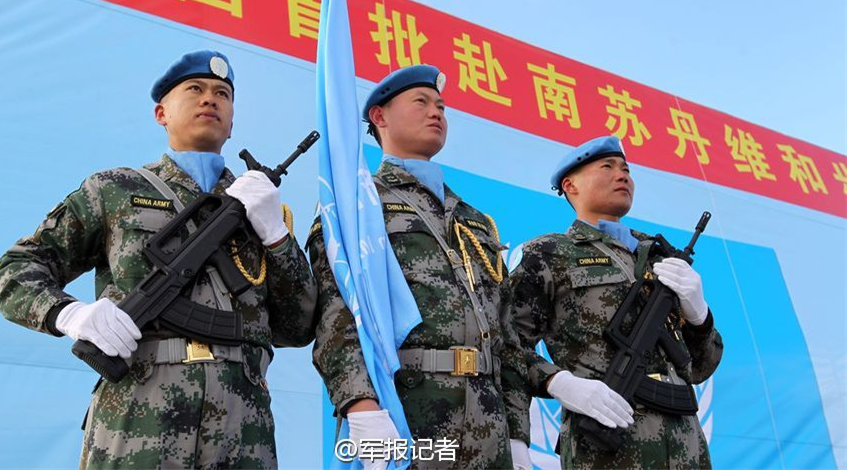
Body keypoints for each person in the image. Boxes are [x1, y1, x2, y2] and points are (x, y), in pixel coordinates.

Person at [0, 50, 317, 469]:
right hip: (139, 412)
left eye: (222, 93)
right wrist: (69, 314)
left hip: (244, 423)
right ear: (161, 113)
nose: (210, 99)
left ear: (233, 121)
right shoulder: (115, 190)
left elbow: (296, 326)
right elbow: (16, 268)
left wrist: (276, 236)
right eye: (195, 90)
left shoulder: (261, 206)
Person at [308, 64, 533, 470]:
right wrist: (360, 403)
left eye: (441, 106)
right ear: (379, 117)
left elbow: (507, 335)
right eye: (421, 102)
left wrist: (517, 432)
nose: (436, 113)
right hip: (408, 408)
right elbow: (337, 312)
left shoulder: (475, 219)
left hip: (487, 417)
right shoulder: (357, 204)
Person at [510, 135, 723, 469]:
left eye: (625, 169)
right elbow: (507, 346)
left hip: (686, 444)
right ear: (570, 185)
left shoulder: (659, 257)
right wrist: (558, 382)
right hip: (607, 446)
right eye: (606, 167)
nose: (622, 175)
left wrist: (700, 317)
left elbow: (700, 367)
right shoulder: (549, 254)